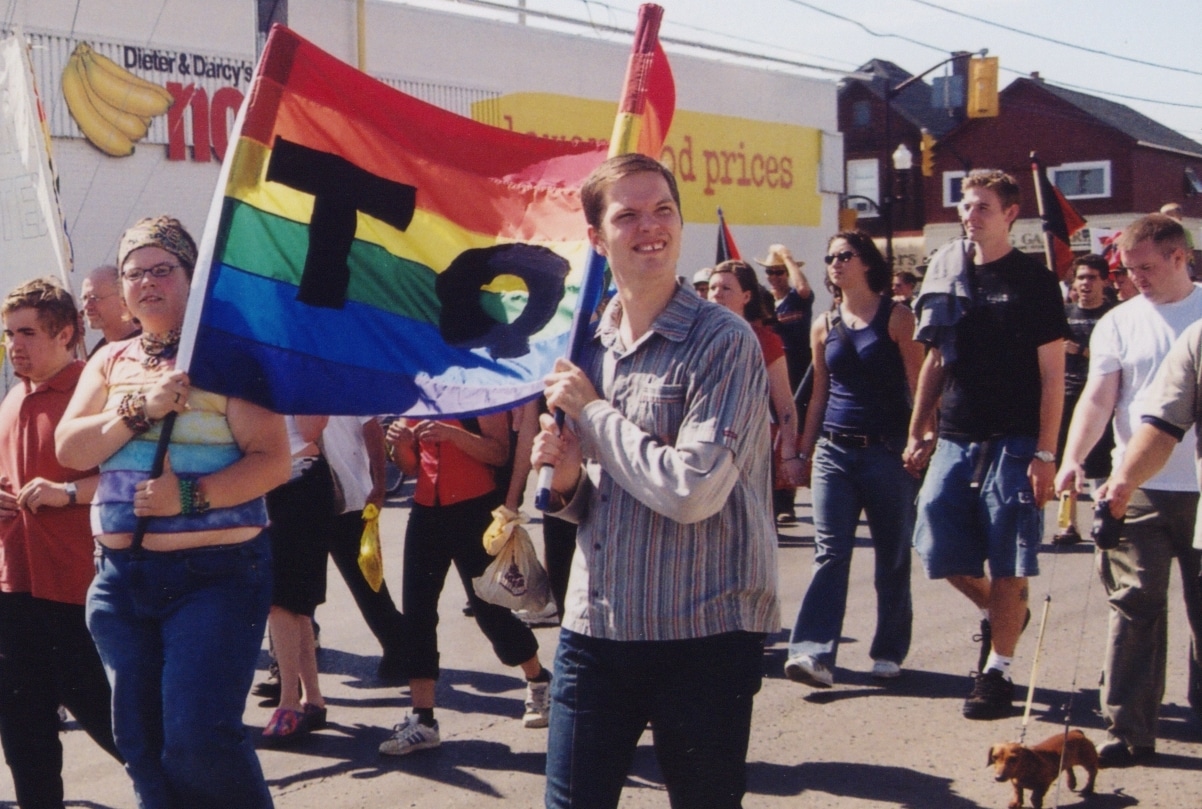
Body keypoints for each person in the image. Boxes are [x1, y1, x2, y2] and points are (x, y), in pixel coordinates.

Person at [532, 153, 779, 809]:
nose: (651, 227)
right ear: (595, 236)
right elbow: (601, 497)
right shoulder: (585, 340)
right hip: (596, 629)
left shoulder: (722, 342)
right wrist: (565, 483)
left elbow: (691, 491)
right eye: (628, 214)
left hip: (702, 635)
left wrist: (592, 412)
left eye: (663, 209)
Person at [55, 216, 290, 808]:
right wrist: (140, 410)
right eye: (134, 272)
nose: (146, 282)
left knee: (197, 740)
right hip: (119, 583)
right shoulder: (110, 362)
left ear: (193, 277)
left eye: (163, 270)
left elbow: (272, 462)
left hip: (214, 577)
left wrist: (188, 497)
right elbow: (70, 449)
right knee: (139, 741)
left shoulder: (231, 358)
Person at [904, 169, 1068, 721]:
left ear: (1010, 214)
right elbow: (935, 356)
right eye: (965, 207)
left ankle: (997, 671)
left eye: (981, 208)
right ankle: (1005, 613)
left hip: (1015, 439)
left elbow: (1053, 376)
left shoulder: (1034, 281)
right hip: (956, 433)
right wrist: (918, 425)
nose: (969, 217)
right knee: (933, 540)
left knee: (1008, 559)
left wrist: (1046, 453)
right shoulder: (948, 270)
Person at [1054, 213, 1202, 768]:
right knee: (1134, 606)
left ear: (1179, 257)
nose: (1134, 277)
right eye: (1127, 268)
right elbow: (1098, 397)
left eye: (1145, 267)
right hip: (1135, 486)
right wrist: (1073, 458)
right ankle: (1129, 727)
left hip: (1200, 485)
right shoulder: (1118, 322)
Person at [0, 277, 121, 808]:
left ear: (66, 333)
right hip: (13, 588)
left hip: (78, 589)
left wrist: (67, 492)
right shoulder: (12, 396)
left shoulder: (93, 393)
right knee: (25, 738)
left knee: (118, 728)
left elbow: (133, 479)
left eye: (27, 333)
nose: (14, 346)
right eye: (8, 334)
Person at [784, 231, 923, 688]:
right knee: (830, 553)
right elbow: (819, 393)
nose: (834, 264)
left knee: (892, 555)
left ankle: (888, 650)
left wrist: (922, 438)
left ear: (867, 262)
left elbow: (920, 386)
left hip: (886, 450)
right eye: (829, 258)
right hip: (835, 453)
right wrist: (802, 451)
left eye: (844, 256)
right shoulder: (823, 324)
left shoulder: (898, 318)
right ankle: (813, 653)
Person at [377, 412, 550, 756]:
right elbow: (411, 468)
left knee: (491, 612)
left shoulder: (476, 392)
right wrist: (399, 445)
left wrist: (451, 435)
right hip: (426, 510)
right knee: (417, 613)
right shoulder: (420, 391)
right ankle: (423, 719)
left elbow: (499, 453)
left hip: (474, 509)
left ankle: (538, 678)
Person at [260, 416, 335, 745]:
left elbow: (310, 429)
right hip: (270, 484)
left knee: (282, 600)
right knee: (294, 604)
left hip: (299, 479)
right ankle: (312, 699)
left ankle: (289, 702)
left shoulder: (299, 368)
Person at [707, 260, 805, 503]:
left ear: (746, 296)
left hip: (750, 450)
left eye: (726, 288)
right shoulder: (696, 338)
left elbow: (784, 403)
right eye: (712, 288)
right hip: (704, 447)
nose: (717, 294)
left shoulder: (765, 341)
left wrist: (789, 452)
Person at [322, 416, 408, 678]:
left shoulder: (348, 378)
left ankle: (400, 648)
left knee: (365, 582)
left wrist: (380, 484)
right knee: (291, 590)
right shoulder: (284, 375)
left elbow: (372, 430)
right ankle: (283, 672)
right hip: (298, 494)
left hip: (350, 496)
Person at [1053, 254, 1116, 545]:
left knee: (1105, 463)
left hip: (1106, 399)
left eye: (1091, 277)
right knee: (1069, 459)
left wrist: (1080, 351)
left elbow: (1121, 360)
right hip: (1066, 396)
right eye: (1080, 278)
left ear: (1105, 280)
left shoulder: (1116, 315)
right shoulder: (1062, 315)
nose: (1085, 283)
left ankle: (1107, 516)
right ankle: (1068, 524)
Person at [757, 243, 813, 524]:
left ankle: (786, 501)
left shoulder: (797, 299)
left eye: (779, 272)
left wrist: (790, 259)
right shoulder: (766, 302)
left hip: (798, 376)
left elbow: (804, 290)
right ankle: (774, 498)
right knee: (772, 436)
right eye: (770, 272)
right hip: (771, 374)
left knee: (790, 436)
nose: (775, 276)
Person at [80, 264, 139, 357]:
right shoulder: (97, 356)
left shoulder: (144, 349)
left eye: (94, 298)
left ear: (123, 299)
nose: (87, 306)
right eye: (84, 298)